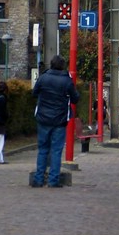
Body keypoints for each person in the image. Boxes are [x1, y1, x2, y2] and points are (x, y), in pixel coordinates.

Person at [31, 54, 80, 188]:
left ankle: (39, 179)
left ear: (51, 64)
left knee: (42, 149)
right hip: (59, 119)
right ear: (63, 66)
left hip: (43, 118)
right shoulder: (66, 81)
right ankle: (53, 180)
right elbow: (75, 98)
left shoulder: (43, 78)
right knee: (56, 150)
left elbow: (34, 93)